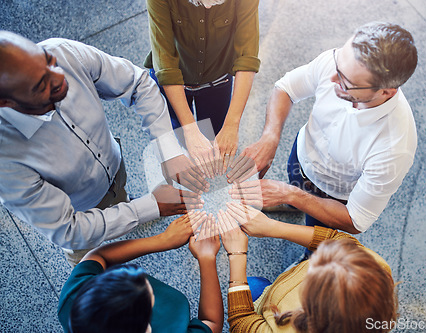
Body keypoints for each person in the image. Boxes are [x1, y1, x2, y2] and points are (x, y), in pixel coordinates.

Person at [0, 31, 209, 265]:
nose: (59, 77)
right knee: (91, 265)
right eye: (41, 85)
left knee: (121, 198)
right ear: (4, 102)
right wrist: (152, 206)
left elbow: (138, 83)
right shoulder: (5, 160)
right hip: (80, 211)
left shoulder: (61, 51)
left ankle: (125, 206)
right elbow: (70, 232)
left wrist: (168, 150)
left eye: (49, 62)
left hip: (114, 166)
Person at [228, 22, 418, 234]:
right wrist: (270, 137)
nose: (331, 79)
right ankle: (292, 206)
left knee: (318, 238)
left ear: (386, 92)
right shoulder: (342, 63)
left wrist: (290, 195)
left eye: (346, 82)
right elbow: (287, 88)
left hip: (334, 195)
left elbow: (355, 220)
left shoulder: (394, 148)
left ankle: (309, 258)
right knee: (295, 185)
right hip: (300, 157)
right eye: (338, 64)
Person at [218, 203, 397, 333]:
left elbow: (241, 323)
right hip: (276, 300)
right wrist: (272, 227)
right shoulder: (375, 265)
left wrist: (237, 254)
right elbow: (336, 240)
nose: (312, 260)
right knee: (254, 285)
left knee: (249, 288)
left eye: (314, 271)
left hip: (266, 312)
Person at [145, 0, 260, 176]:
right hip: (175, 83)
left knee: (215, 133)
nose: (208, 8)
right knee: (182, 135)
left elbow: (247, 56)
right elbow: (166, 64)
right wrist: (190, 130)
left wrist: (232, 124)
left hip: (218, 79)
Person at [58, 211, 224, 333]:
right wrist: (207, 258)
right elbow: (211, 323)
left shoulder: (72, 300)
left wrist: (162, 241)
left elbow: (97, 257)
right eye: (149, 295)